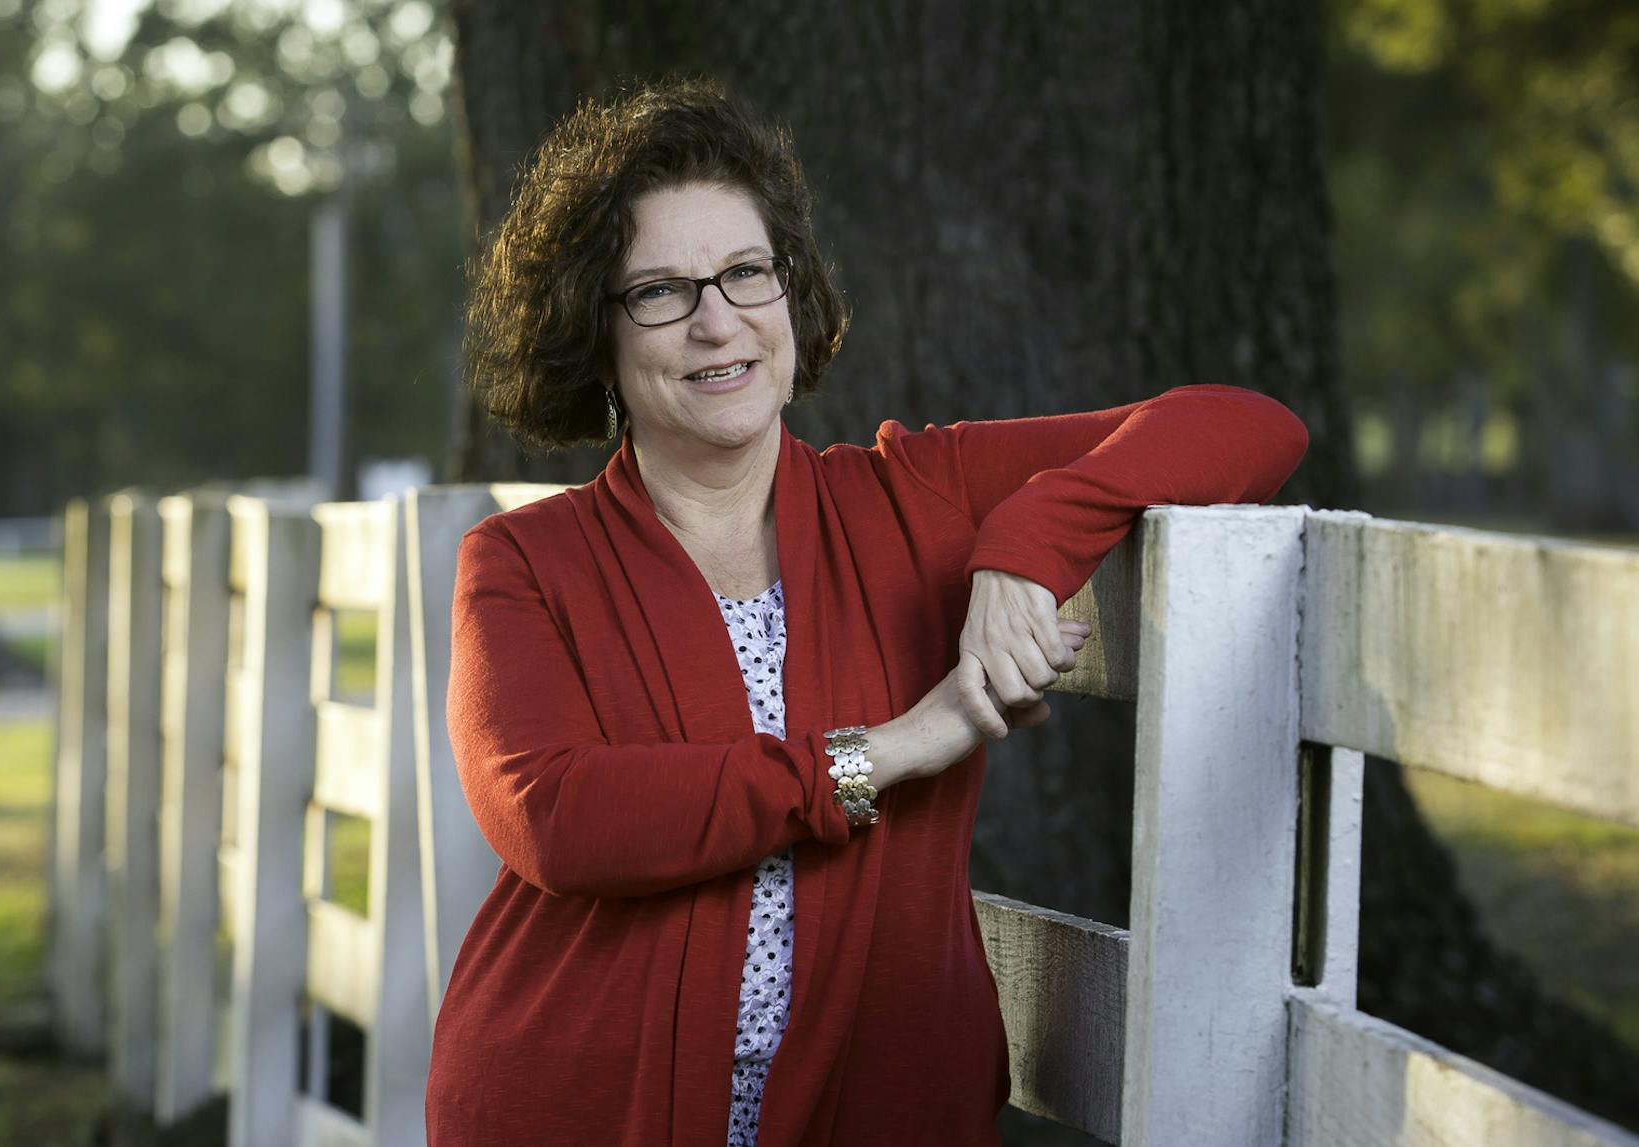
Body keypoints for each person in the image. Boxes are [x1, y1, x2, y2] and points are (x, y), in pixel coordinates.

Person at [429, 79, 1309, 1146]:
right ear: (596, 332)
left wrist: (1023, 553)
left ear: (792, 293)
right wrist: (891, 749)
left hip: (878, 1109)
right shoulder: (523, 561)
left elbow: (1245, 426)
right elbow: (555, 818)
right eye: (660, 290)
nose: (719, 321)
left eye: (747, 272)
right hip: (575, 1109)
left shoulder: (916, 496)